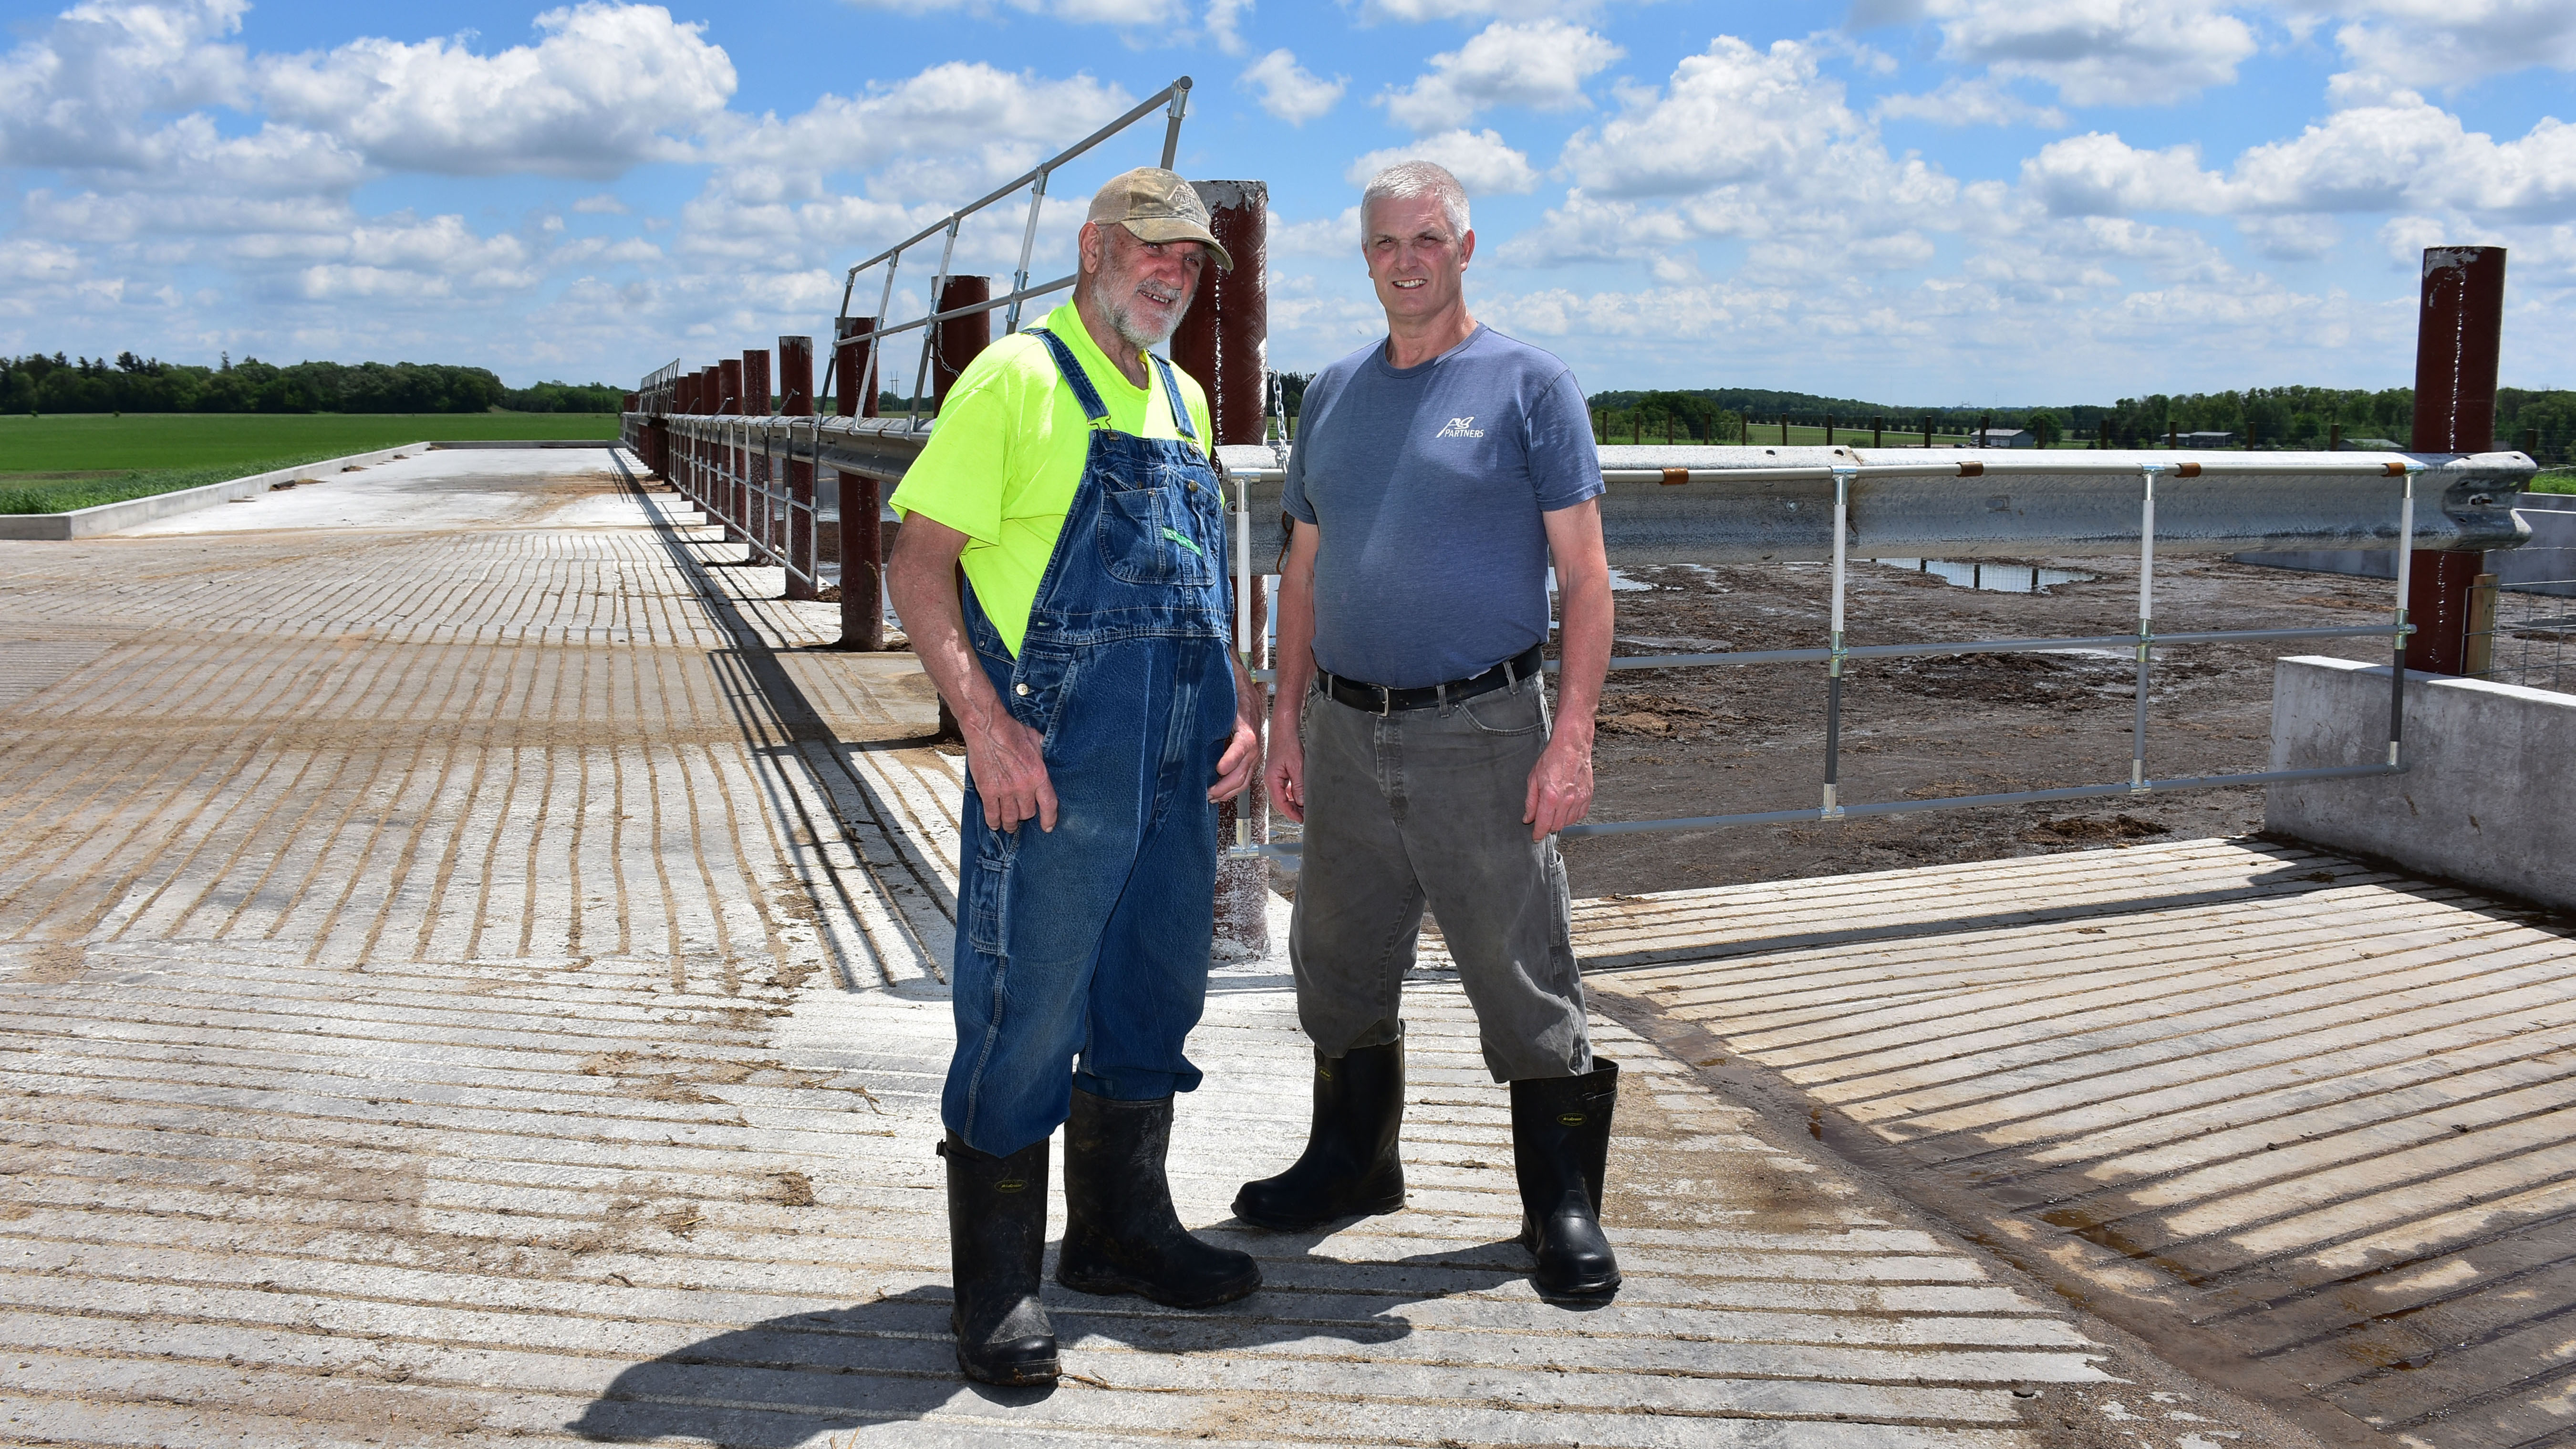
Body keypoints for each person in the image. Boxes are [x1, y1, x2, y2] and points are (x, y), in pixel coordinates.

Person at [885, 167, 1266, 1386]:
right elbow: (918, 566)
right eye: (1154, 252)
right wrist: (987, 729)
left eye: (1193, 262)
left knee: (1156, 992)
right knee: (1024, 1009)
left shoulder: (1185, 395)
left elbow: (1200, 575)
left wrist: (1243, 702)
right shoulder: (1015, 379)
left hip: (1179, 765)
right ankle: (996, 1287)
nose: (1173, 276)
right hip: (1055, 762)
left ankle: (1120, 1230)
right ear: (1097, 247)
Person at [1233, 160, 1621, 1300]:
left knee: (1521, 971)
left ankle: (1559, 1206)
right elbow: (1300, 575)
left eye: (1426, 239)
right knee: (1337, 963)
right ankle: (1353, 1161)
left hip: (1485, 729)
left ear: (1465, 247)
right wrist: (1288, 719)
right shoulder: (1333, 394)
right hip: (1346, 730)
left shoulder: (1529, 385)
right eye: (1384, 244)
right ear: (1365, 260)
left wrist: (1574, 737)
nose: (1405, 261)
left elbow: (1588, 581)